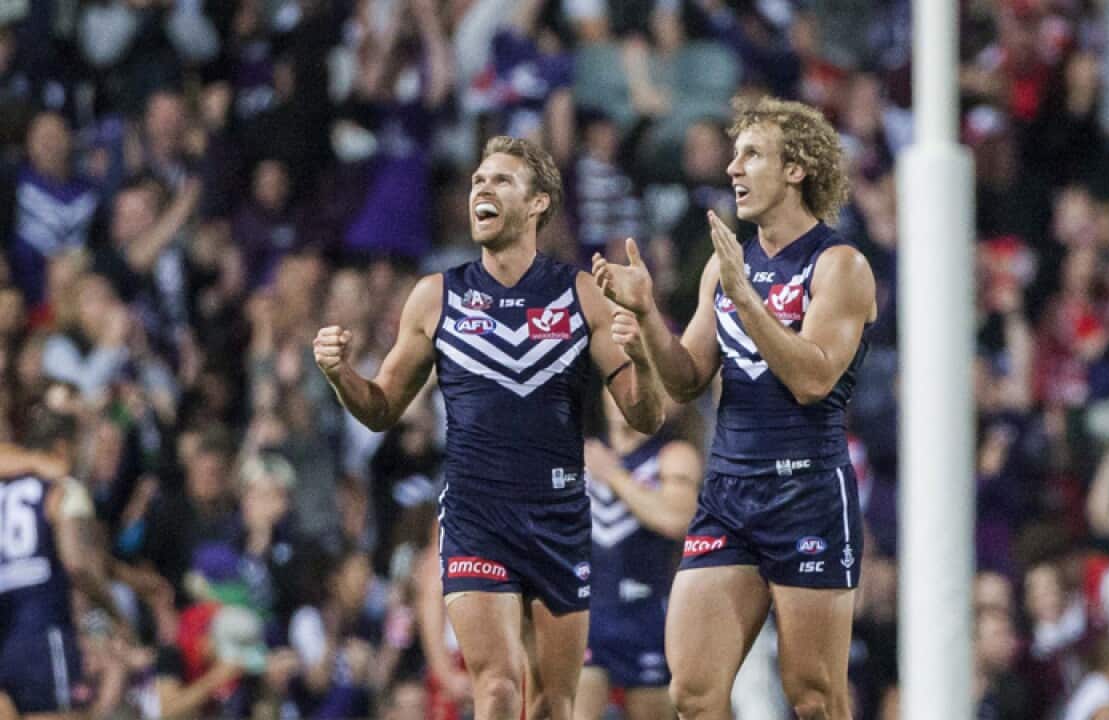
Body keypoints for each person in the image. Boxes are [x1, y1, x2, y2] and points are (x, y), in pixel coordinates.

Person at [314, 135, 665, 720]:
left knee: (555, 704)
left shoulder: (582, 295)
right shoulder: (435, 297)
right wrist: (339, 373)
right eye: (479, 178)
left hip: (559, 516)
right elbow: (380, 409)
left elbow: (646, 415)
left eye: (501, 180)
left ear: (538, 205)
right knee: (499, 690)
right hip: (478, 514)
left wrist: (645, 349)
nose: (482, 186)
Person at [592, 95, 877, 718]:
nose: (733, 170)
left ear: (797, 168)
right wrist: (645, 317)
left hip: (807, 493)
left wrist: (747, 300)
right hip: (728, 492)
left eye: (751, 155)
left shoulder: (840, 266)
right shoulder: (725, 270)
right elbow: (688, 378)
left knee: (815, 697)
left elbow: (814, 380)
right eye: (733, 156)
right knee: (692, 693)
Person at [574, 390, 701, 720]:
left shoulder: (673, 455)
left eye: (637, 382)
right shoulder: (582, 451)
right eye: (616, 384)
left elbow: (675, 519)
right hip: (587, 610)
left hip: (646, 612)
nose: (624, 395)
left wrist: (613, 475)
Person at [0, 405, 126, 720]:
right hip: (46, 630)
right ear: (62, 447)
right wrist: (113, 614)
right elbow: (77, 565)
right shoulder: (64, 490)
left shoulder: (4, 492)